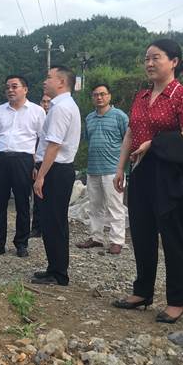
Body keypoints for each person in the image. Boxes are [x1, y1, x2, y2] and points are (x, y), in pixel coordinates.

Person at [112, 39, 183, 325]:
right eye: (146, 58)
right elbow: (130, 133)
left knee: (174, 238)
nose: (149, 63)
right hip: (140, 171)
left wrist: (154, 142)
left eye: (156, 58)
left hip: (169, 173)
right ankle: (142, 291)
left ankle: (176, 301)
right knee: (142, 233)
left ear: (174, 62)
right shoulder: (141, 96)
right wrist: (120, 168)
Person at [0, 75, 46, 259]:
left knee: (22, 203)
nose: (10, 90)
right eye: (7, 87)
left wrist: (38, 165)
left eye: (14, 86)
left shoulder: (37, 111)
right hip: (1, 159)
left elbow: (42, 140)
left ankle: (21, 243)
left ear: (25, 89)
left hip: (24, 160)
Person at [31, 66, 81, 285]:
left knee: (54, 222)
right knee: (51, 221)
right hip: (56, 169)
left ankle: (59, 273)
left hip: (56, 170)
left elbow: (54, 145)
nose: (45, 81)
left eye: (49, 77)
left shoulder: (61, 108)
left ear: (61, 82)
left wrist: (41, 176)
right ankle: (54, 268)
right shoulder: (63, 105)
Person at [76, 83, 128, 254]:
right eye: (96, 95)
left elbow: (128, 140)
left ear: (109, 96)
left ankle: (117, 241)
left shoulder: (120, 116)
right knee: (94, 206)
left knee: (115, 207)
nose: (99, 97)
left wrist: (123, 167)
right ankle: (96, 237)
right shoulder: (89, 118)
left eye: (103, 94)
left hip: (113, 170)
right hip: (93, 169)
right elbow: (88, 139)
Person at [31, 93, 52, 238]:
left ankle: (49, 227)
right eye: (43, 102)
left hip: (54, 162)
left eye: (48, 102)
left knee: (52, 196)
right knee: (37, 196)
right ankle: (36, 228)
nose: (46, 105)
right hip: (38, 162)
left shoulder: (56, 119)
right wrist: (33, 165)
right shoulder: (37, 119)